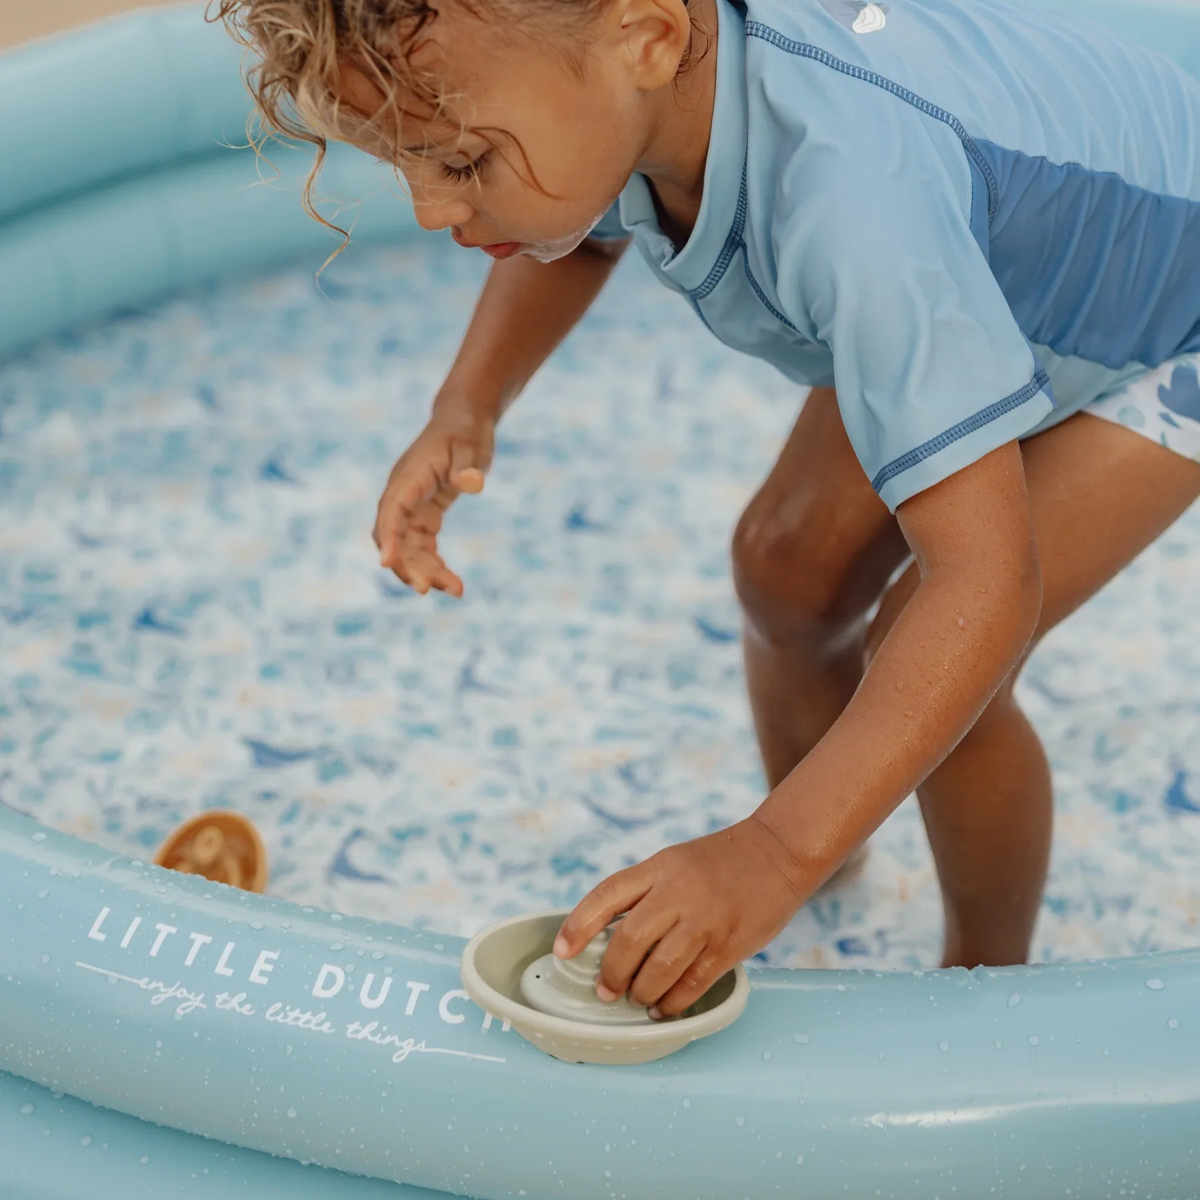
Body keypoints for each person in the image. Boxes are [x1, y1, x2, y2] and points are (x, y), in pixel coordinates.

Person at [218, 0, 1200, 1018]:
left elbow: (984, 589)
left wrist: (767, 854)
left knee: (939, 645)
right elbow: (577, 233)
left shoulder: (858, 208)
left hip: (1173, 325)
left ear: (647, 39)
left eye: (463, 162)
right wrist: (468, 404)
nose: (429, 209)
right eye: (405, 164)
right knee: (785, 567)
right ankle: (828, 869)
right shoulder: (623, 74)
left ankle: (986, 991)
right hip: (989, 267)